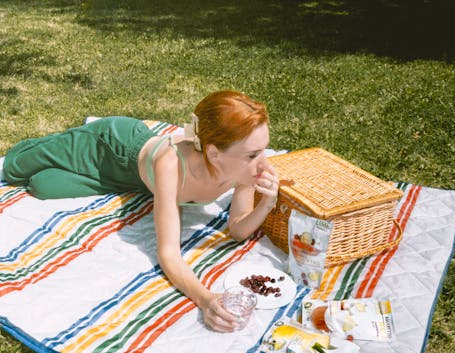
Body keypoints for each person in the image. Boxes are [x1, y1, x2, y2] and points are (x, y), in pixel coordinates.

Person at [2, 90, 279, 332]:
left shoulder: (243, 173)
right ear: (215, 153)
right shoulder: (172, 164)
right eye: (252, 154)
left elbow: (239, 230)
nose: (263, 162)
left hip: (133, 182)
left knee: (42, 187)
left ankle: (74, 169)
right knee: (15, 167)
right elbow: (168, 253)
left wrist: (266, 202)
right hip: (112, 146)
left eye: (263, 150)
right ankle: (76, 137)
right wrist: (205, 299)